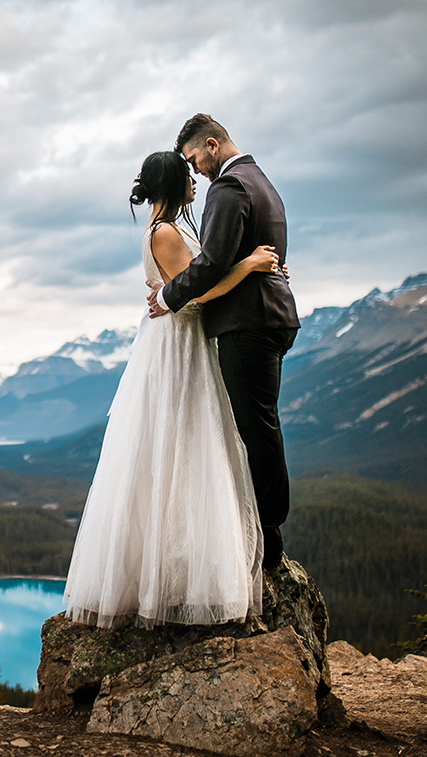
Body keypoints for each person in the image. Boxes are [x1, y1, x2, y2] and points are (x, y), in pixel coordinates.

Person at [63, 150, 283, 627]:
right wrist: (248, 267)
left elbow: (194, 279)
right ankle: (178, 578)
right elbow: (199, 290)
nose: (194, 183)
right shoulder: (164, 232)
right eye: (186, 177)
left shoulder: (168, 228)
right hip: (177, 347)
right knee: (183, 448)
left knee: (183, 449)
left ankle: (178, 568)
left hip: (182, 340)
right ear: (170, 183)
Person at [147, 114, 299, 570]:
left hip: (246, 323)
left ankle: (268, 538)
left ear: (212, 145)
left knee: (255, 430)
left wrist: (168, 296)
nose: (195, 171)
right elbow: (259, 250)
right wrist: (260, 268)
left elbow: (212, 262)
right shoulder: (261, 180)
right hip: (269, 316)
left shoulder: (229, 187)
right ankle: (262, 531)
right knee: (258, 425)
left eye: (195, 159)